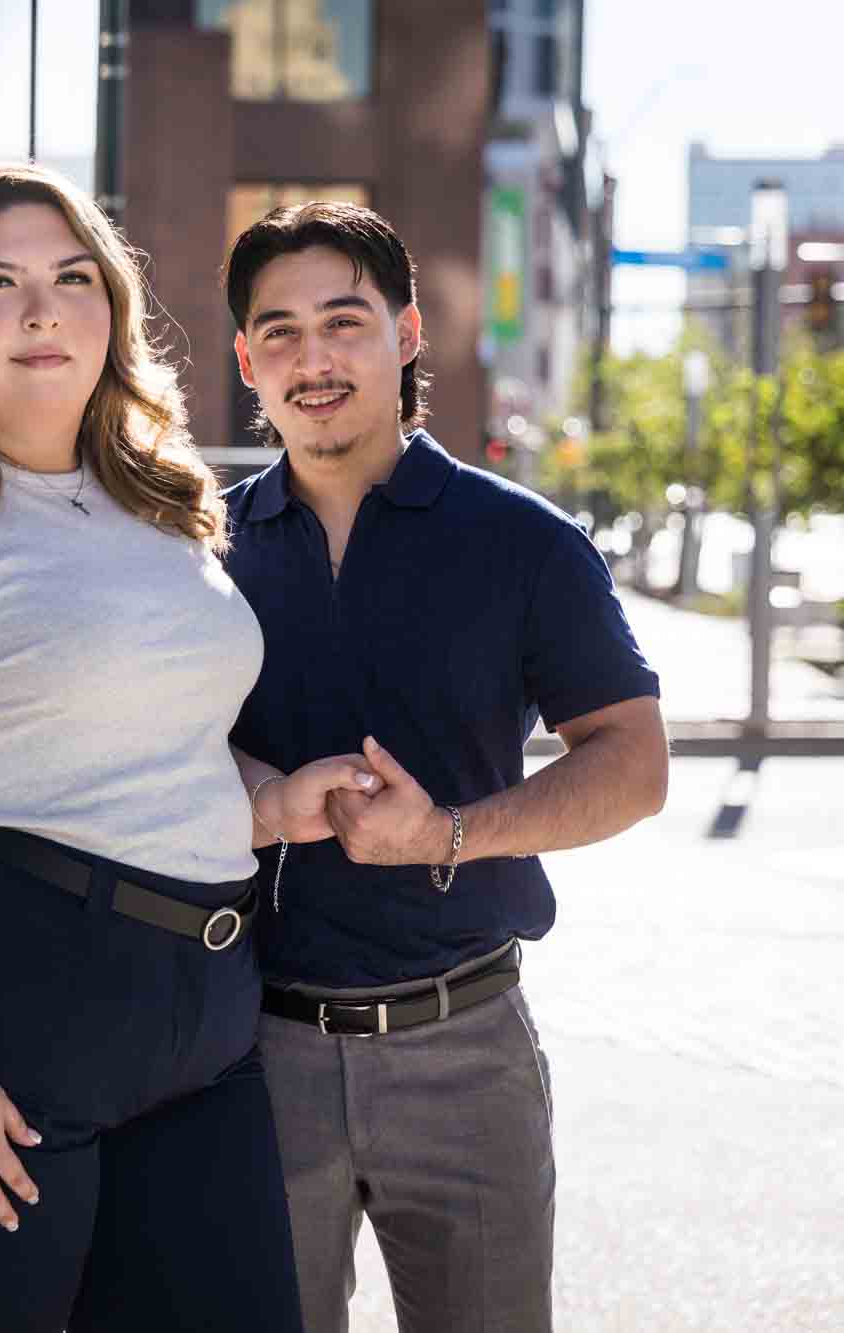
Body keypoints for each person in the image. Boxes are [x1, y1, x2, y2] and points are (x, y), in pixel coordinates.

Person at [0, 163, 379, 1331]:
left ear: (111, 312)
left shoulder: (153, 503)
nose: (42, 309)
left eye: (70, 278)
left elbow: (139, 744)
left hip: (195, 1026)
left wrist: (268, 798)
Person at [218, 201, 669, 1333]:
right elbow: (136, 749)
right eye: (277, 332)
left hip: (462, 1048)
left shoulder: (518, 542)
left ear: (406, 333)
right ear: (243, 360)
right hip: (248, 1054)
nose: (310, 359)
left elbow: (633, 760)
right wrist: (258, 795)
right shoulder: (196, 554)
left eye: (342, 321)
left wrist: (447, 833)